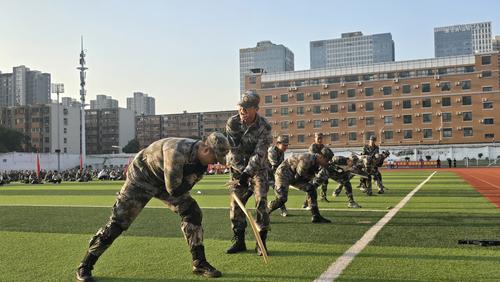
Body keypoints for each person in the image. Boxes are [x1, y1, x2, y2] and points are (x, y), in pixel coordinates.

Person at [75, 132, 230, 281]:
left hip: (164, 180)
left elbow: (184, 186)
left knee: (192, 211)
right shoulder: (176, 152)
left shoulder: (200, 161)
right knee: (118, 223)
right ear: (205, 149)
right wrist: (195, 172)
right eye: (214, 158)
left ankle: (199, 262)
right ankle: (85, 265)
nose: (214, 163)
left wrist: (196, 171)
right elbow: (174, 190)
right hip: (141, 178)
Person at [225, 92, 273, 256]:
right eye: (240, 109)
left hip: (258, 169)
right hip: (238, 169)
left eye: (246, 109)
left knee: (261, 202)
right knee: (236, 205)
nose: (242, 112)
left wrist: (248, 173)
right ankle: (239, 241)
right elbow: (234, 150)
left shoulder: (264, 126)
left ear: (256, 109)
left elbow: (260, 153)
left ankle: (261, 242)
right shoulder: (233, 122)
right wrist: (241, 174)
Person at [268, 147, 334, 223]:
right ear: (320, 156)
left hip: (295, 175)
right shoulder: (306, 160)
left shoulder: (317, 162)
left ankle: (316, 216)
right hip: (283, 174)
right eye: (327, 160)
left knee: (311, 189)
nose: (328, 162)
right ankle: (265, 213)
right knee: (282, 199)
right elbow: (299, 178)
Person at [268, 135, 290, 217]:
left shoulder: (281, 152)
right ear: (278, 143)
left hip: (272, 175)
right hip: (264, 174)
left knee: (280, 193)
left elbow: (281, 165)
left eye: (287, 145)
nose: (286, 147)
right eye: (284, 145)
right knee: (250, 192)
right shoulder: (272, 150)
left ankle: (282, 209)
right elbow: (275, 165)